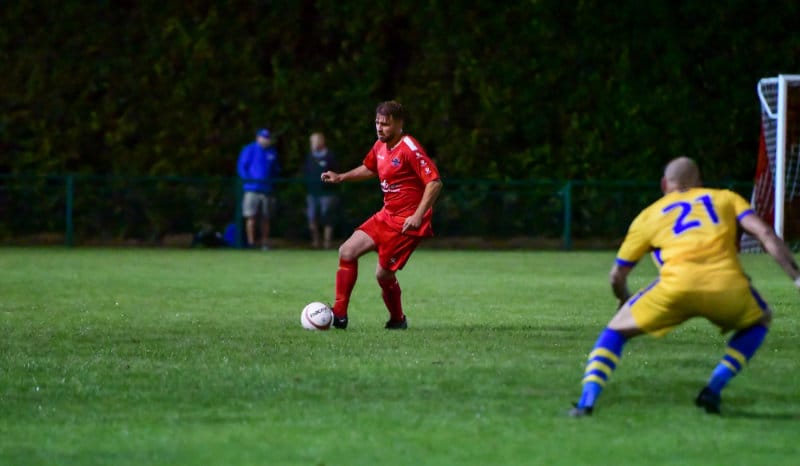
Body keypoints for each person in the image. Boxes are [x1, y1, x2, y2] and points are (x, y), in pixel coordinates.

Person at [570, 157, 800, 417]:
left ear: (664, 184)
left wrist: (624, 300)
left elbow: (617, 275)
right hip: (725, 286)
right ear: (699, 182)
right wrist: (796, 278)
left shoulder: (648, 216)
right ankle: (714, 387)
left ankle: (587, 402)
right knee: (761, 319)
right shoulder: (725, 198)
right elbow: (765, 234)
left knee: (614, 332)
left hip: (674, 289)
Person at [320, 101, 443, 330]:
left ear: (399, 124)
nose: (379, 128)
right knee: (347, 251)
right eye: (377, 122)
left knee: (383, 276)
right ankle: (339, 315)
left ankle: (398, 320)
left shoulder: (409, 148)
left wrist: (418, 215)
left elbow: (434, 182)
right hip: (386, 216)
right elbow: (370, 168)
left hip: (406, 223)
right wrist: (341, 177)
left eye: (385, 124)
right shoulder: (380, 145)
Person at [237, 128, 280, 250]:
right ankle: (251, 243)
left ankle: (264, 243)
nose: (266, 140)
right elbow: (242, 167)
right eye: (264, 138)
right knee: (251, 217)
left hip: (267, 189)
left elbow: (276, 170)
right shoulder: (249, 149)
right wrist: (248, 180)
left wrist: (272, 181)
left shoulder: (272, 152)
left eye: (267, 138)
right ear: (258, 138)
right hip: (252, 189)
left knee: (265, 218)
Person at [303, 132, 338, 249]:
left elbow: (336, 172)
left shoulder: (330, 156)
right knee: (312, 217)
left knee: (327, 217)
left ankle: (327, 242)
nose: (314, 143)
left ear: (322, 141)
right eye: (312, 141)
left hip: (327, 193)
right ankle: (316, 241)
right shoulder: (309, 156)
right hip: (312, 193)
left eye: (316, 140)